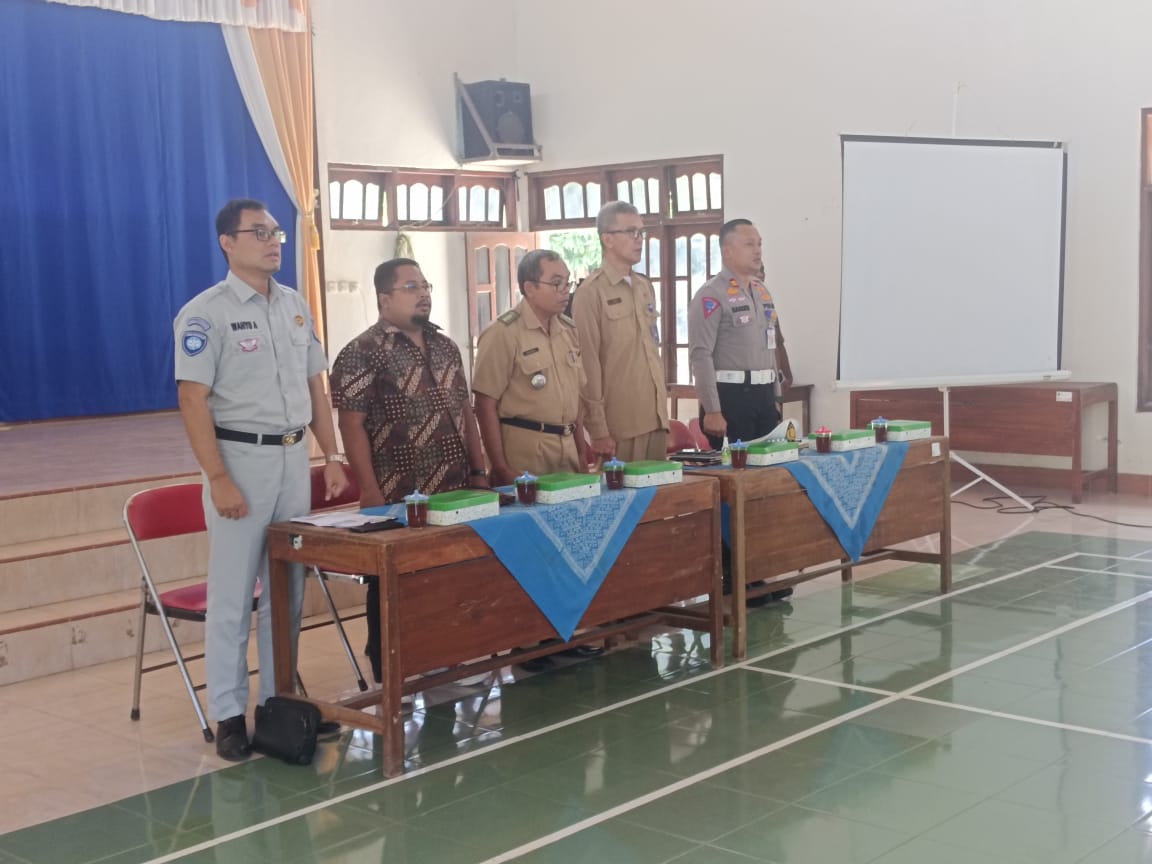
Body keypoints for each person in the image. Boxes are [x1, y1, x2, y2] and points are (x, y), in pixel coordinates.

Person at [174, 198, 349, 761]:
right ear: (227, 242)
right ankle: (228, 713)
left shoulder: (294, 305)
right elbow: (193, 399)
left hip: (292, 458)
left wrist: (331, 455)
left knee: (288, 588)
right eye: (259, 233)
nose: (274, 242)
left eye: (276, 232)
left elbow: (316, 386)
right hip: (240, 461)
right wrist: (218, 477)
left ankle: (279, 704)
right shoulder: (206, 313)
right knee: (233, 595)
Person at [329, 257, 488, 684]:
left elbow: (465, 411)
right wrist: (369, 490)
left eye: (426, 286)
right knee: (393, 583)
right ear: (384, 298)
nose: (424, 294)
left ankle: (449, 656)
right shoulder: (362, 351)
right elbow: (351, 425)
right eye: (412, 287)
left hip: (454, 485)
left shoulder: (445, 346)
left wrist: (479, 470)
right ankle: (389, 670)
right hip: (398, 490)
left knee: (452, 573)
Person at [688, 218, 794, 604]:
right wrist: (712, 409)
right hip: (730, 398)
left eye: (759, 243)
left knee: (763, 486)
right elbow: (700, 355)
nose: (758, 249)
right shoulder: (710, 295)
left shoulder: (762, 292)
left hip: (763, 397)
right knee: (736, 490)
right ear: (727, 250)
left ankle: (760, 571)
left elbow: (770, 346)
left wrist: (776, 396)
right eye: (749, 243)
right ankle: (734, 578)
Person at [472, 249, 589, 486]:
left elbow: (576, 398)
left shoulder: (568, 330)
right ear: (530, 288)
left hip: (566, 451)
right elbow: (485, 404)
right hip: (525, 454)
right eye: (556, 283)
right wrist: (499, 466)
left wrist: (581, 454)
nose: (565, 290)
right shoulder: (503, 333)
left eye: (567, 282)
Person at [571, 202, 668, 462]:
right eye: (631, 232)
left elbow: (651, 350)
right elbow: (588, 364)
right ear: (608, 239)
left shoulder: (644, 286)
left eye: (641, 232)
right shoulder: (591, 292)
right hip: (620, 426)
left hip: (655, 418)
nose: (639, 239)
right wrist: (598, 429)